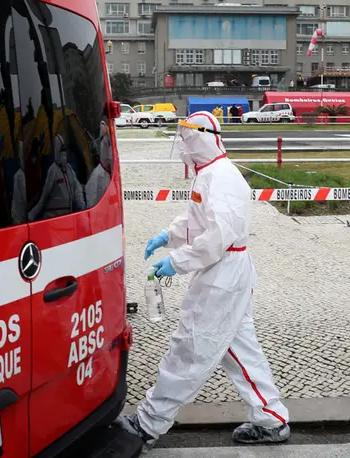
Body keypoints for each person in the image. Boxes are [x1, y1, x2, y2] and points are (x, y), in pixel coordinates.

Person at [113, 111, 290, 449]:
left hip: (222, 272)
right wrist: (168, 235)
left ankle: (149, 422)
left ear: (200, 138)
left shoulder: (221, 177)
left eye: (184, 138)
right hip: (224, 271)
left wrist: (176, 261)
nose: (180, 145)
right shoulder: (209, 174)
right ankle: (272, 418)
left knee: (190, 346)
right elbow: (197, 218)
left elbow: (216, 236)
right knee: (239, 347)